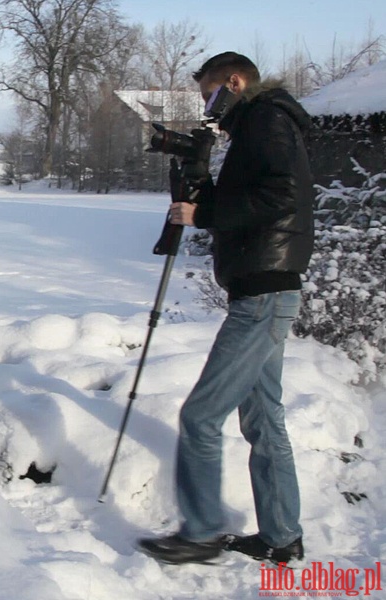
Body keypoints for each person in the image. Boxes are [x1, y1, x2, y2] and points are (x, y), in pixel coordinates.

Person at [138, 52, 314, 564]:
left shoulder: (265, 118)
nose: (208, 104)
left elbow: (280, 196)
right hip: (266, 289)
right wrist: (199, 182)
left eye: (211, 93)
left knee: (200, 415)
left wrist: (205, 211)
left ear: (235, 82)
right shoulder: (258, 124)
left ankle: (201, 534)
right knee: (262, 419)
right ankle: (282, 537)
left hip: (263, 293)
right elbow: (254, 195)